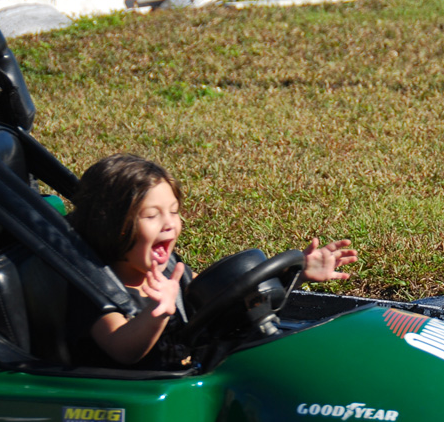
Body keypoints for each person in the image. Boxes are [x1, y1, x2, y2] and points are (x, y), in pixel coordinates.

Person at [68, 154, 356, 367]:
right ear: (111, 226)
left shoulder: (171, 270)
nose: (169, 224)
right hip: (139, 404)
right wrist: (158, 310)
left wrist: (296, 273)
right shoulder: (96, 288)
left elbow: (222, 301)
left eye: (174, 211)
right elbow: (123, 348)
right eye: (152, 216)